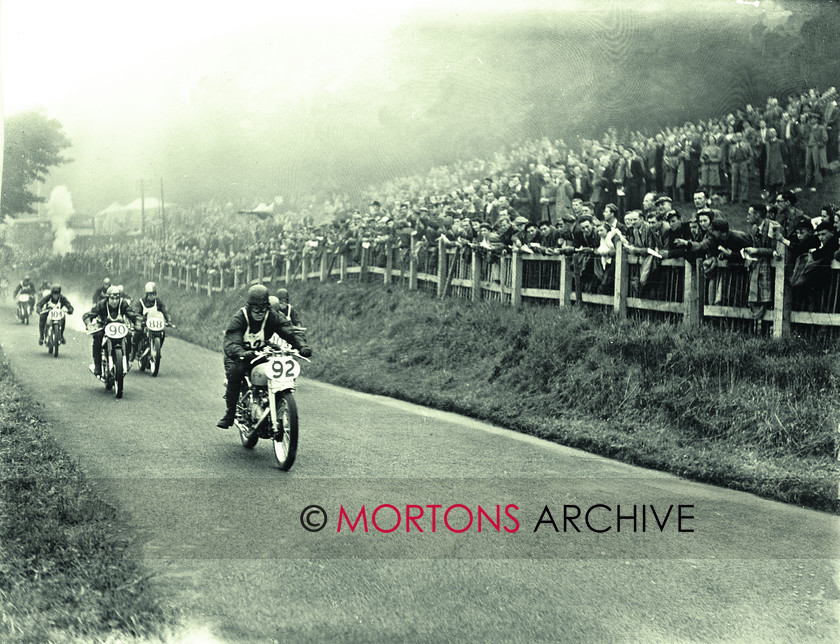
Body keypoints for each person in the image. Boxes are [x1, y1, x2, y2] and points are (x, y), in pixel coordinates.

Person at [218, 284, 312, 428]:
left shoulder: (271, 315)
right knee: (235, 373)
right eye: (256, 309)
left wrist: (301, 346)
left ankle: (270, 401)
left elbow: (287, 330)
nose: (260, 313)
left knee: (272, 369)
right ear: (250, 307)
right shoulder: (240, 317)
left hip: (260, 352)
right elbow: (231, 341)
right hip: (239, 355)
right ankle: (230, 414)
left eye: (263, 308)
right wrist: (241, 352)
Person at [82, 285, 139, 378]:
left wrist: (137, 324)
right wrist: (89, 324)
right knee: (97, 336)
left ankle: (126, 359)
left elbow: (134, 315)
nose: (115, 301)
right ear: (108, 298)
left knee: (129, 335)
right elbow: (88, 315)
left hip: (120, 328)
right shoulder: (101, 304)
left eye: (117, 298)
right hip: (104, 327)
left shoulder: (123, 304)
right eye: (112, 298)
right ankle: (97, 366)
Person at [131, 282, 172, 362]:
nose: (152, 296)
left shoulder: (158, 302)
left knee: (162, 334)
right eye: (150, 294)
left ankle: (157, 350)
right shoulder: (141, 302)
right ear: (146, 294)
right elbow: (136, 311)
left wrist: (168, 320)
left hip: (155, 324)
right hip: (144, 323)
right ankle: (134, 352)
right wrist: (139, 318)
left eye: (154, 294)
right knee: (137, 333)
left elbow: (165, 310)